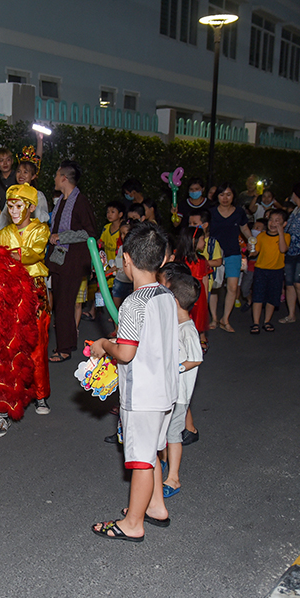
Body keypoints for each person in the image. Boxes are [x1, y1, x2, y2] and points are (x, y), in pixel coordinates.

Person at [91, 221, 177, 542]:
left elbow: (125, 353)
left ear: (125, 260)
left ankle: (133, 524)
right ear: (163, 259)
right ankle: (156, 507)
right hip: (164, 392)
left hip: (142, 396)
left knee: (140, 459)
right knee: (153, 452)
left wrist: (104, 346)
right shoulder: (166, 296)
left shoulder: (133, 304)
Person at [0, 184, 52, 420]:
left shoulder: (41, 230)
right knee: (10, 345)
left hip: (35, 291)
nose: (13, 211)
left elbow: (35, 253)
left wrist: (6, 253)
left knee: (38, 343)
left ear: (30, 207)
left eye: (18, 205)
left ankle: (40, 394)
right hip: (11, 291)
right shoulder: (3, 233)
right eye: (10, 206)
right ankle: (11, 395)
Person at [156, 267, 203, 499]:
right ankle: (165, 465)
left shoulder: (188, 330)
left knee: (173, 435)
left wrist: (177, 368)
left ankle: (173, 478)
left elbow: (196, 358)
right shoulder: (175, 326)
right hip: (168, 391)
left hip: (180, 394)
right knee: (164, 433)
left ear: (173, 302)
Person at [46, 160, 97, 362]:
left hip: (73, 261)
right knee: (61, 304)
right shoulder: (62, 202)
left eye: (57, 175)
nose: (55, 179)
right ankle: (65, 344)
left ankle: (64, 348)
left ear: (64, 178)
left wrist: (62, 237)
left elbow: (89, 233)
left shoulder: (80, 201)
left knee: (66, 305)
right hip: (59, 260)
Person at [208, 183, 254, 332]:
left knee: (233, 286)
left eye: (228, 194)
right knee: (215, 286)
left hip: (233, 252)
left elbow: (244, 228)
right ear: (217, 197)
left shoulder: (239, 212)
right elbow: (205, 231)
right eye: (222, 194)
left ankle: (225, 319)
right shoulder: (211, 212)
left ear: (233, 196)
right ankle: (214, 318)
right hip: (215, 253)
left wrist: (252, 241)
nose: (225, 198)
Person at [249, 209, 290, 333]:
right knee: (258, 296)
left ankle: (267, 321)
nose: (273, 223)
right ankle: (256, 323)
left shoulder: (286, 236)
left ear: (284, 224)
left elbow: (283, 249)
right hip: (261, 269)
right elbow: (255, 252)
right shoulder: (261, 236)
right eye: (271, 220)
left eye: (278, 221)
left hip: (276, 271)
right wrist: (251, 249)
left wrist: (281, 233)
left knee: (273, 296)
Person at [173, 226, 211, 351]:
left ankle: (201, 336)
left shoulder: (202, 260)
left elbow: (205, 280)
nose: (204, 242)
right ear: (193, 241)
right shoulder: (180, 260)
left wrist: (205, 298)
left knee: (199, 316)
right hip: (183, 292)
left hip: (199, 294)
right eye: (202, 239)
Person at [280, 183, 300, 325]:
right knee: (289, 284)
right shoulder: (296, 210)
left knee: (299, 283)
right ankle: (291, 314)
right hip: (291, 251)